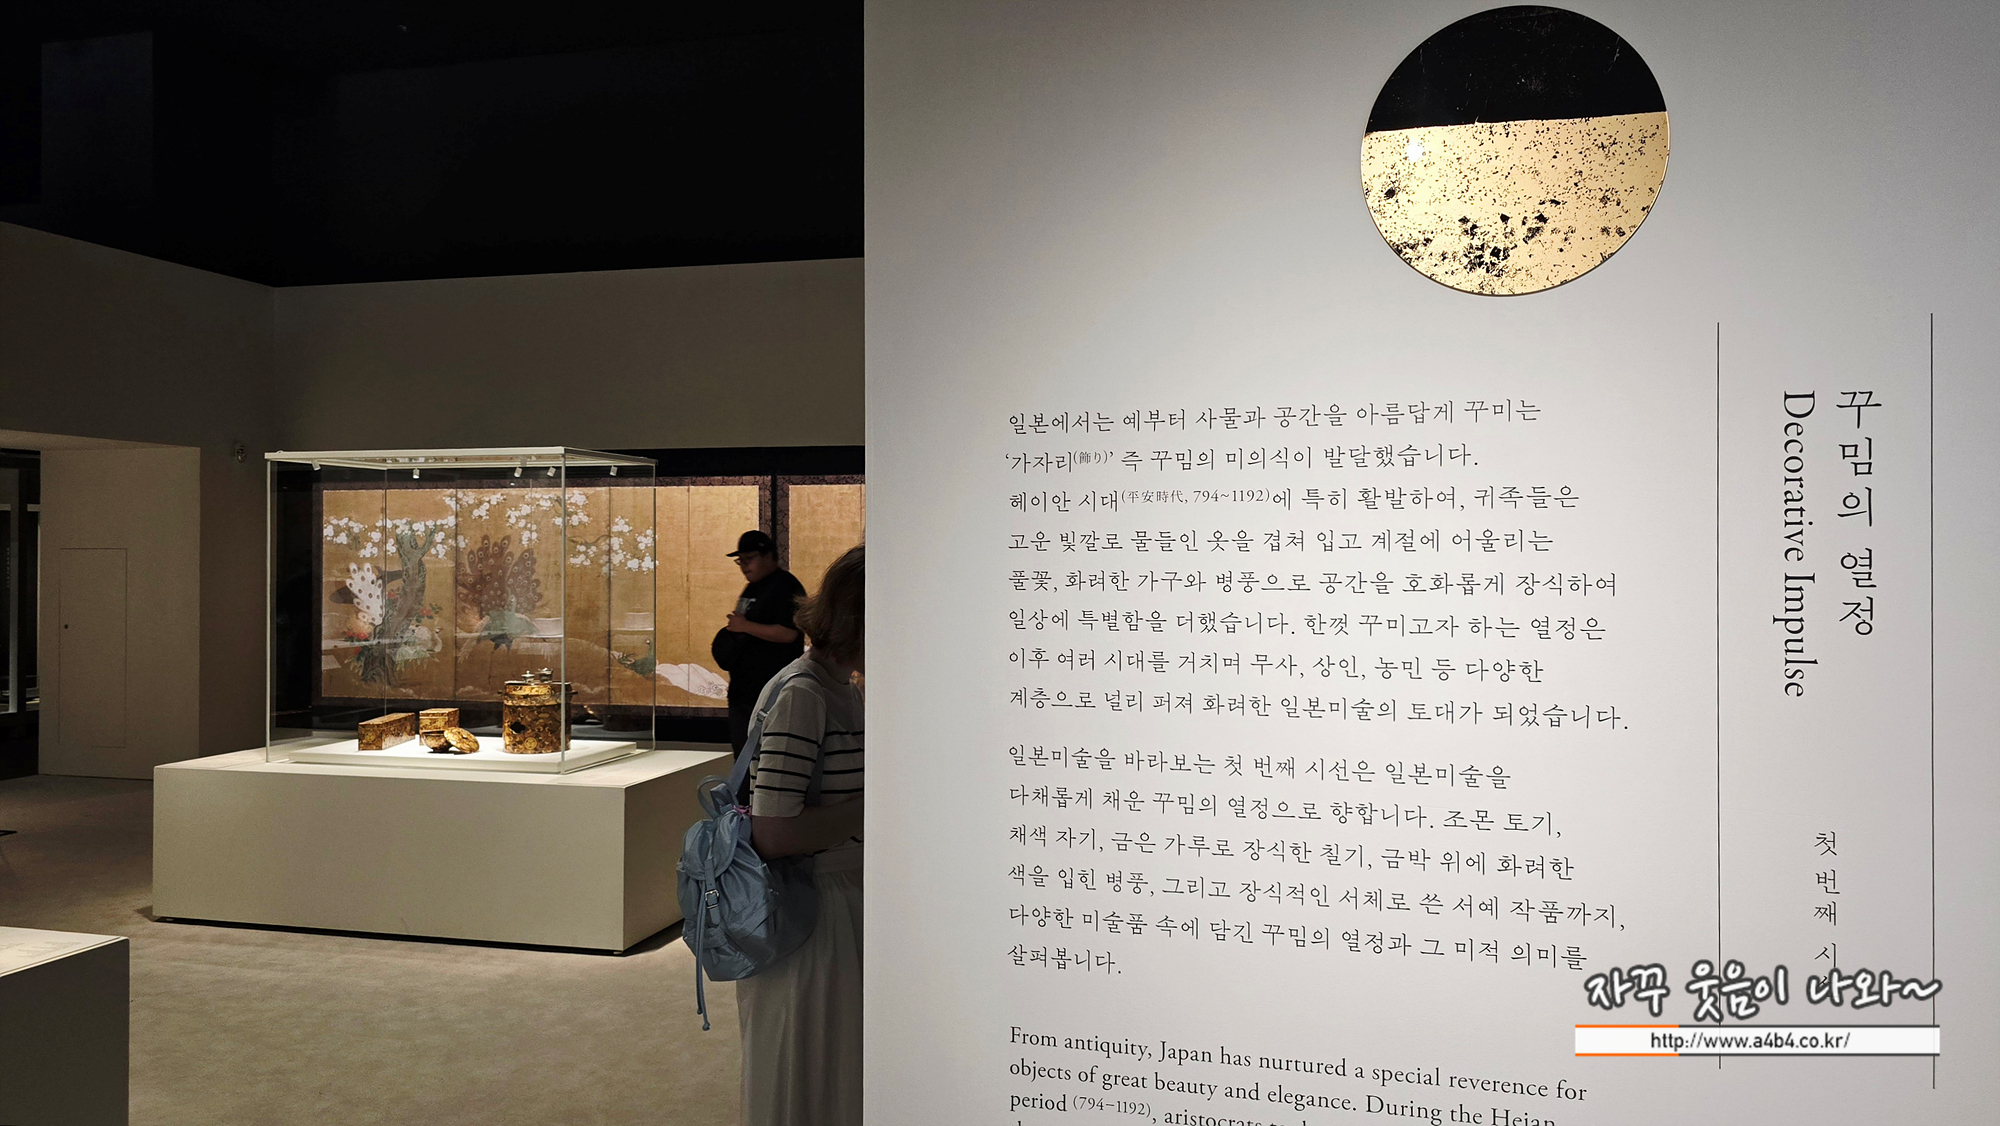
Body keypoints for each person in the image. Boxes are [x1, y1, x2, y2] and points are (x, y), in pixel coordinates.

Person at [736, 544, 865, 1126]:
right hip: (811, 905)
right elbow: (775, 832)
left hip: (839, 897)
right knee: (812, 1069)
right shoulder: (803, 693)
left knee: (837, 1067)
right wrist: (881, 808)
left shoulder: (842, 688)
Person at [711, 530, 807, 751]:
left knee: (770, 756)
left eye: (749, 558)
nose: (744, 566)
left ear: (769, 556)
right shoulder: (752, 587)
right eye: (740, 561)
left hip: (772, 691)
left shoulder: (786, 586)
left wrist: (745, 626)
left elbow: (789, 634)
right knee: (743, 758)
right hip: (743, 692)